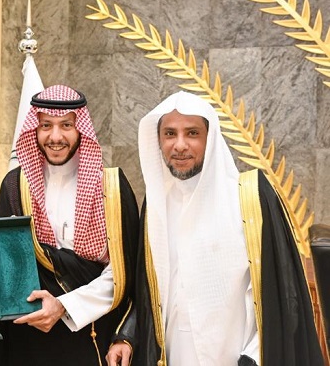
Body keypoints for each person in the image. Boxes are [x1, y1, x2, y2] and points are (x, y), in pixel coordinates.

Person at [122, 91, 323, 365]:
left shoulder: (249, 198)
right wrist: (126, 336)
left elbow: (281, 294)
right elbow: (144, 290)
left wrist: (253, 357)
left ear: (210, 138)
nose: (179, 145)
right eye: (169, 134)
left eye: (192, 133)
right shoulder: (157, 204)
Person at [0, 85, 140, 366]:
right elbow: (3, 266)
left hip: (90, 330)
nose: (55, 136)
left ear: (80, 128)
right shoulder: (15, 185)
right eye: (46, 125)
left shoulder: (111, 187)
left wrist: (65, 306)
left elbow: (125, 273)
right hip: (29, 335)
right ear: (34, 129)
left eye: (66, 125)